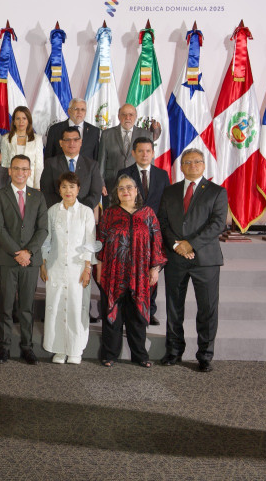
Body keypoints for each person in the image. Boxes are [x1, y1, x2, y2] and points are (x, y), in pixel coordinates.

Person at [157, 148, 227, 372]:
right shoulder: (170, 191)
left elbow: (217, 224)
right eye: (187, 162)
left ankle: (205, 355)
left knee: (207, 309)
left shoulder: (217, 192)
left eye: (197, 162)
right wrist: (177, 246)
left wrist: (191, 244)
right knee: (174, 308)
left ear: (204, 165)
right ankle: (174, 351)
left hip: (205, 260)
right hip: (176, 258)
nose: (192, 166)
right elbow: (163, 223)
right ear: (181, 166)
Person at [97, 174, 166, 368]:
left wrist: (155, 268)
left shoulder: (148, 214)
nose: (125, 191)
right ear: (116, 193)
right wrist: (100, 270)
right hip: (113, 272)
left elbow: (157, 241)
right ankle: (109, 354)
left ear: (136, 191)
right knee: (113, 315)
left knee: (137, 316)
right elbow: (100, 242)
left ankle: (140, 356)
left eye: (129, 187)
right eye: (121, 188)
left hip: (140, 273)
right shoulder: (110, 214)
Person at [0, 155, 48, 364]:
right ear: (10, 171)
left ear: (30, 171)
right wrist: (17, 252)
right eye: (16, 168)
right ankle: (4, 347)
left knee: (26, 307)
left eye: (24, 169)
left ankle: (27, 347)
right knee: (5, 305)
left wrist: (28, 253)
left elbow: (43, 230)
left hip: (30, 262)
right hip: (7, 260)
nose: (20, 172)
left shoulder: (38, 197)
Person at [40, 172, 98, 364]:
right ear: (59, 189)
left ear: (78, 189)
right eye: (64, 187)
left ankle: (75, 349)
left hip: (77, 268)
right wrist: (43, 263)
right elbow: (46, 240)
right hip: (55, 266)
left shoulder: (86, 212)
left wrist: (87, 267)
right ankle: (59, 349)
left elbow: (89, 241)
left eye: (72, 187)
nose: (68, 191)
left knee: (76, 307)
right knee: (55, 306)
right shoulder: (52, 211)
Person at [117, 136, 171, 325]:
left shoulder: (162, 175)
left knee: (152, 274)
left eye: (148, 151)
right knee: (129, 272)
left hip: (154, 233)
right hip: (130, 233)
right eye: (140, 151)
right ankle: (127, 308)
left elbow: (167, 204)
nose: (144, 154)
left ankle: (149, 309)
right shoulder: (124, 173)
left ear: (153, 153)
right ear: (133, 153)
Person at [98, 104, 151, 208]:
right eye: (124, 114)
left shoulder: (146, 134)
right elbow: (102, 161)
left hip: (137, 185)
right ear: (118, 116)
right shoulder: (107, 134)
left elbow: (149, 161)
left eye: (131, 114)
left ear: (136, 116)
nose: (127, 118)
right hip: (112, 184)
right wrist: (101, 183)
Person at [40, 127, 103, 211]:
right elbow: (46, 191)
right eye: (67, 140)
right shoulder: (51, 164)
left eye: (76, 140)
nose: (72, 143)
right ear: (61, 143)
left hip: (83, 213)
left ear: (80, 142)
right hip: (58, 212)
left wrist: (80, 209)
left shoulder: (92, 165)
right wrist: (63, 207)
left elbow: (96, 193)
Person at [0, 106, 43, 188]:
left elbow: (39, 166)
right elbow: (4, 165)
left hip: (30, 184)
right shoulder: (6, 139)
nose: (21, 122)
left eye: (24, 118)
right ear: (14, 122)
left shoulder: (37, 139)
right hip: (10, 184)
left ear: (28, 121)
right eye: (18, 119)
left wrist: (37, 186)